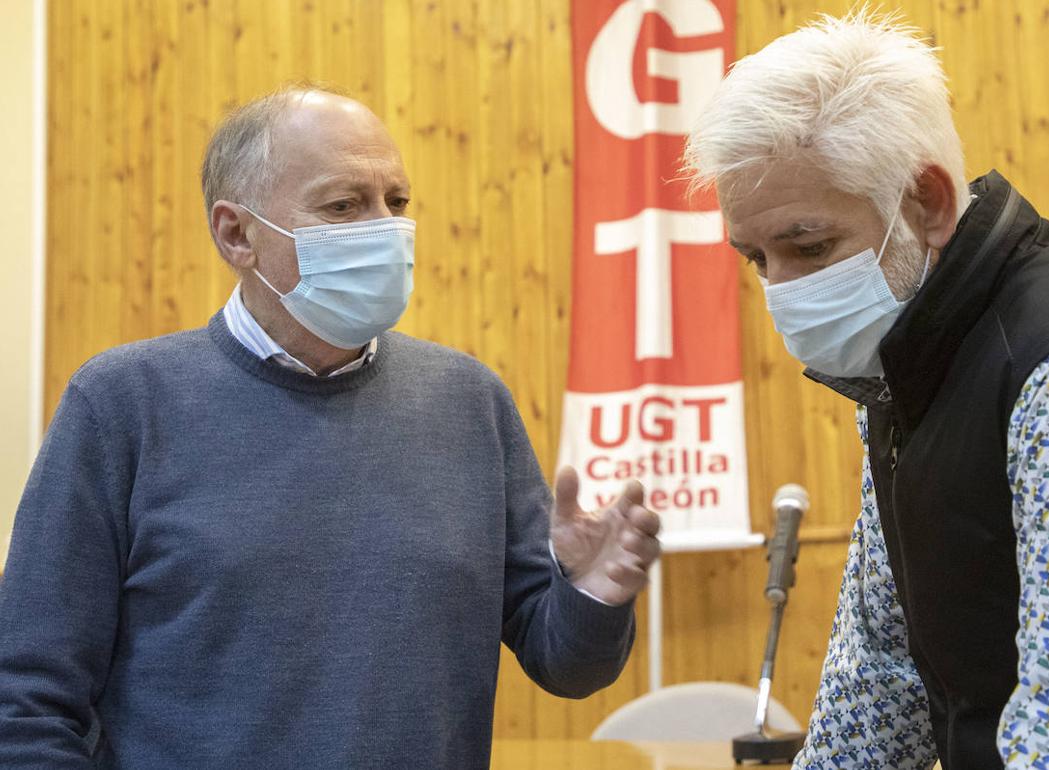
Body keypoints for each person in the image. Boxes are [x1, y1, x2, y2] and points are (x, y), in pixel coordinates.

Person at [0, 85, 661, 769]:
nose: (385, 228)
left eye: (396, 203)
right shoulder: (120, 406)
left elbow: (567, 667)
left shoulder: (469, 402)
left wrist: (591, 595)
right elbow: (25, 700)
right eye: (344, 205)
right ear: (236, 234)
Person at [684, 11, 1049, 770]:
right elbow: (879, 677)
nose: (781, 290)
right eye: (756, 258)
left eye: (809, 246)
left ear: (927, 204)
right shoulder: (910, 365)